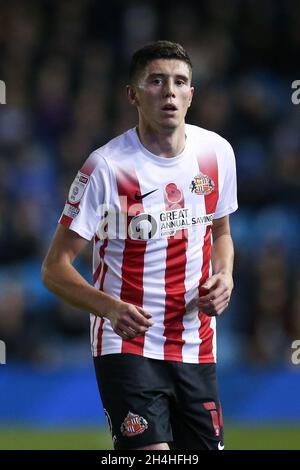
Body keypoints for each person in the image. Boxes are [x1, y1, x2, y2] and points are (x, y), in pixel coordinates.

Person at [42, 40, 238, 450]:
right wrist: (109, 308)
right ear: (132, 94)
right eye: (156, 81)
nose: (169, 91)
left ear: (191, 95)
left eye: (179, 82)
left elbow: (220, 231)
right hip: (127, 343)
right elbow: (55, 267)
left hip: (196, 342)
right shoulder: (106, 168)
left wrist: (226, 277)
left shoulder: (217, 154)